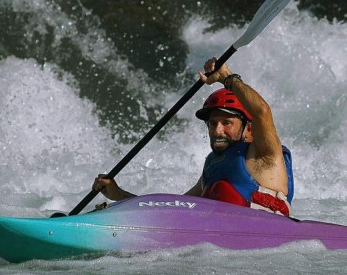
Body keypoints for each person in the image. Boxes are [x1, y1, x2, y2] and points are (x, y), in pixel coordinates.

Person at [92, 57, 294, 216]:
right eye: (213, 123)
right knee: (214, 192)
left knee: (223, 191)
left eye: (227, 123)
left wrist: (227, 77)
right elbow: (175, 210)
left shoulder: (264, 155)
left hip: (264, 240)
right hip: (218, 245)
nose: (217, 131)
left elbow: (262, 112)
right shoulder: (213, 165)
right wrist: (119, 196)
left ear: (248, 129)